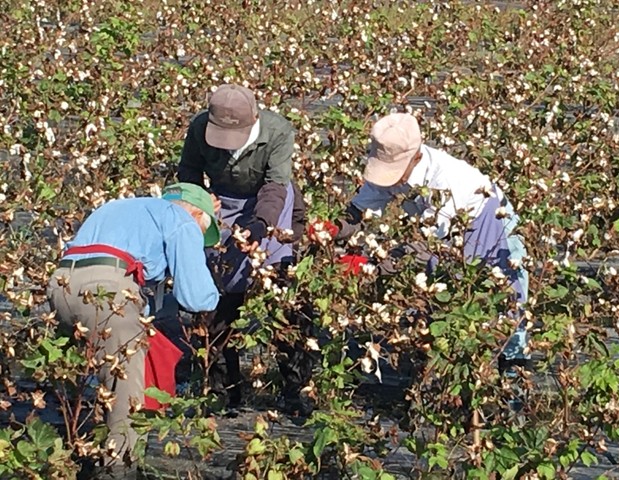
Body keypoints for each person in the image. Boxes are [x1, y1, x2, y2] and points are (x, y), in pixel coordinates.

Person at [310, 112, 529, 369]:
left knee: (501, 298)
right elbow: (359, 209)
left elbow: (427, 248)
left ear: (415, 156)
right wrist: (334, 228)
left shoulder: (446, 181)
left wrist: (368, 265)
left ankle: (512, 370)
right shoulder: (394, 163)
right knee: (440, 300)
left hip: (487, 219)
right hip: (443, 233)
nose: (390, 177)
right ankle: (437, 359)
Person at [47, 183, 221, 478]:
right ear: (195, 214)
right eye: (203, 232)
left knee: (92, 383)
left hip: (60, 287)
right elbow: (195, 297)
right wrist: (219, 297)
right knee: (128, 398)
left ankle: (74, 454)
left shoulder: (116, 207)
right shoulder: (182, 220)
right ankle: (119, 471)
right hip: (110, 291)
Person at [177, 83, 308, 413]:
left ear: (254, 119)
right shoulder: (198, 128)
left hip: (270, 206)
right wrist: (199, 202)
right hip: (222, 206)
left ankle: (296, 392)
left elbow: (275, 187)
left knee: (283, 300)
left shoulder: (278, 131)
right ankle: (225, 390)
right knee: (217, 292)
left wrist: (259, 226)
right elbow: (189, 171)